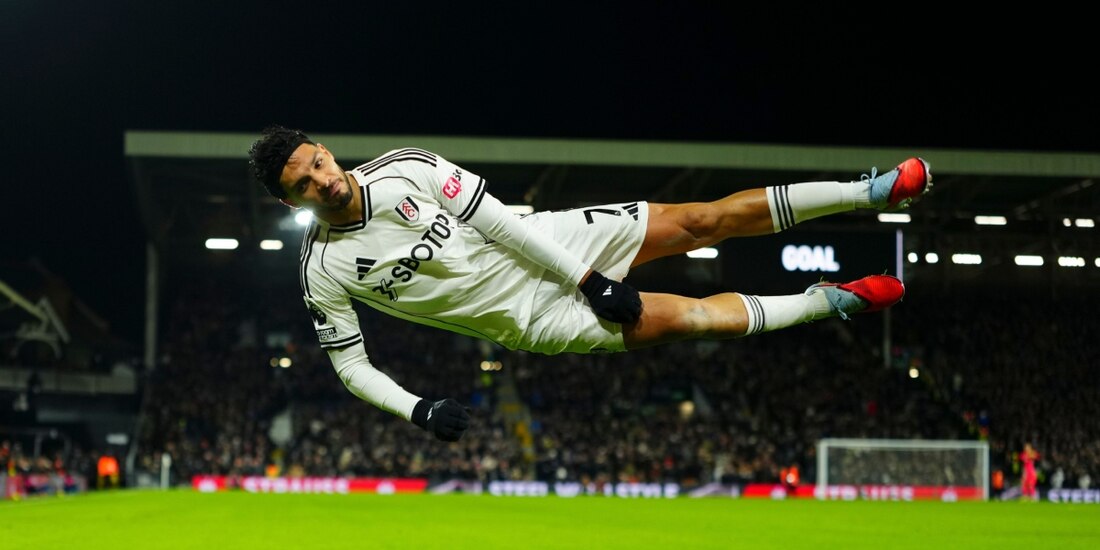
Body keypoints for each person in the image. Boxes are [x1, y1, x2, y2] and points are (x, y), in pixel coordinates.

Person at [248, 126, 931, 442]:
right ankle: (829, 301)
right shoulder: (324, 268)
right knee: (694, 320)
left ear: (325, 151)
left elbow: (499, 222)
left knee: (702, 219)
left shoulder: (407, 169)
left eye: (317, 162)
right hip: (532, 320)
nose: (320, 179)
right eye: (302, 185)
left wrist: (591, 276)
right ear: (292, 203)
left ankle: (867, 190)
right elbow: (350, 366)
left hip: (554, 244)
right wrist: (417, 408)